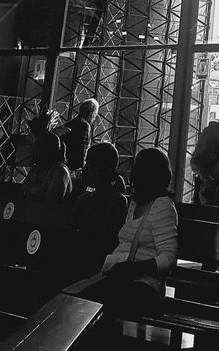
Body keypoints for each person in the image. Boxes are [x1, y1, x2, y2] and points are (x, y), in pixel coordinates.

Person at [71, 148, 177, 317]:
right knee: (79, 293)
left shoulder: (162, 205)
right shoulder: (135, 203)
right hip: (121, 276)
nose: (132, 172)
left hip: (145, 285)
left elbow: (169, 258)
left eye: (137, 167)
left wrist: (135, 268)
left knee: (92, 299)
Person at [71, 143, 128, 277]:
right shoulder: (118, 200)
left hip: (93, 267)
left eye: (88, 163)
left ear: (98, 168)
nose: (85, 168)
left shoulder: (86, 200)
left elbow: (103, 243)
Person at [23, 132, 72, 203]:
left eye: (37, 148)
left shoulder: (60, 171)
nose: (33, 152)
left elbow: (51, 205)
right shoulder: (38, 167)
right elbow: (23, 190)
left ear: (47, 150)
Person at [62, 99, 99, 172]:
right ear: (91, 113)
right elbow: (82, 152)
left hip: (64, 165)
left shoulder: (69, 123)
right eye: (95, 115)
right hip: (74, 168)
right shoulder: (84, 126)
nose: (94, 119)